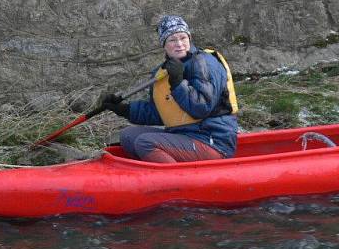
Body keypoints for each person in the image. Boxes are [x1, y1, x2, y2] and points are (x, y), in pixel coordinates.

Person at [100, 16, 239, 162]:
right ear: (164, 45)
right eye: (172, 40)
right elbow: (161, 113)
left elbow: (202, 107)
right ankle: (152, 173)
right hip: (184, 134)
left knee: (145, 142)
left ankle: (177, 182)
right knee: (128, 136)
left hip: (211, 140)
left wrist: (178, 83)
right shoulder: (164, 71)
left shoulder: (204, 63)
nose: (179, 44)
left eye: (183, 38)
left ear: (189, 39)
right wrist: (124, 109)